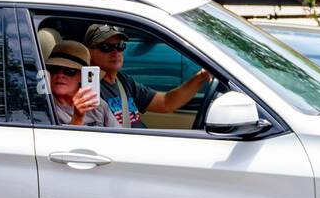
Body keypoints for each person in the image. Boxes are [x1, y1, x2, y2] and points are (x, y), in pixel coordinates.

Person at [85, 24, 213, 129]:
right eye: (106, 47)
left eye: (120, 46)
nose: (116, 52)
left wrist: (200, 77)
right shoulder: (87, 88)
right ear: (88, 52)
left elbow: (165, 103)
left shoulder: (123, 81)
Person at [47, 40, 120, 128]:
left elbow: (120, 136)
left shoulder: (96, 104)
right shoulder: (42, 106)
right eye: (54, 69)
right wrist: (77, 119)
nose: (60, 75)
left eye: (69, 71)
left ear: (82, 76)